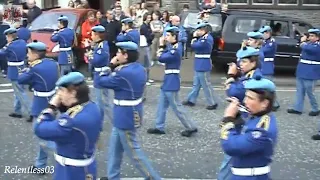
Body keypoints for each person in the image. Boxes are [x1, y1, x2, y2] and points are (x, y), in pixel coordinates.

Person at [95, 41, 161, 180]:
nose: (116, 55)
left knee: (134, 152)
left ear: (125, 55)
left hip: (125, 115)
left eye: (119, 52)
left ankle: (153, 178)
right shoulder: (138, 68)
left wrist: (110, 65)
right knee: (115, 149)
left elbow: (100, 82)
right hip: (128, 112)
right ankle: (113, 176)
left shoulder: (122, 73)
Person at [34, 72, 102, 180]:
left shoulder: (70, 122)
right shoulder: (92, 106)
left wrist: (51, 107)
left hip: (70, 172)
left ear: (73, 93)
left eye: (62, 90)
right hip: (86, 165)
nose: (58, 94)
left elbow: (39, 128)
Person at [220, 76, 278, 180]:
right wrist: (237, 119)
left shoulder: (262, 129)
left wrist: (228, 119)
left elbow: (233, 147)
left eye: (250, 98)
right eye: (246, 97)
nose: (245, 101)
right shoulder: (256, 117)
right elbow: (240, 134)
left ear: (264, 103)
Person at [218, 46, 263, 180]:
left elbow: (233, 91)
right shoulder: (248, 75)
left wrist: (231, 75)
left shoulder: (253, 78)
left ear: (253, 63)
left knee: (231, 155)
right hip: (242, 119)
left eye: (244, 62)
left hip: (244, 121)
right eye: (240, 61)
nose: (240, 65)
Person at [147, 26, 198, 137]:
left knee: (177, 106)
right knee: (162, 104)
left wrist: (161, 46)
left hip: (172, 79)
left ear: (174, 37)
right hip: (168, 79)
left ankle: (190, 127)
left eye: (168, 35)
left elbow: (161, 58)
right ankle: (159, 126)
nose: (166, 37)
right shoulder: (173, 46)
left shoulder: (176, 49)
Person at [18, 40, 59, 171]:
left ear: (35, 54)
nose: (27, 55)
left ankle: (63, 161)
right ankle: (40, 165)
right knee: (46, 135)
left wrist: (25, 70)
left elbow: (21, 79)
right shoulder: (51, 63)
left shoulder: (34, 68)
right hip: (52, 100)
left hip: (40, 103)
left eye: (29, 53)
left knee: (42, 136)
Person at [182, 23, 218, 110]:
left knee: (206, 85)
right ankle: (191, 99)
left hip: (203, 64)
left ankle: (212, 102)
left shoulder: (206, 39)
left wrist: (194, 38)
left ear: (204, 30)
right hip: (199, 63)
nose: (197, 32)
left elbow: (195, 46)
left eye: (199, 30)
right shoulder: (203, 38)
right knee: (196, 84)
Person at [0, 27, 32, 122]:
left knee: (20, 92)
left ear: (10, 36)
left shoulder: (10, 46)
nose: (6, 39)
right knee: (18, 91)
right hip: (21, 67)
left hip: (14, 69)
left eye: (7, 37)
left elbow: (2, 53)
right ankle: (17, 111)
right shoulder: (22, 42)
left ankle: (30, 112)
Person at [288, 28, 320, 117]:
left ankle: (315, 108)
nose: (310, 37)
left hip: (311, 72)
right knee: (299, 91)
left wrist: (303, 41)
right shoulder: (308, 44)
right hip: (302, 70)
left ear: (318, 38)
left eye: (313, 36)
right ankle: (297, 108)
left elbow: (308, 48)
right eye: (310, 36)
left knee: (310, 92)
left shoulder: (317, 45)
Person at [90, 24, 113, 124]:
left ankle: (116, 121)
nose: (91, 37)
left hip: (101, 74)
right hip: (98, 73)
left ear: (97, 35)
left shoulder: (102, 46)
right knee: (100, 101)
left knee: (103, 102)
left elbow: (96, 60)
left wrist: (89, 57)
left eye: (93, 34)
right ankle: (100, 121)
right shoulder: (98, 45)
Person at [259, 25, 280, 111]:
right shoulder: (265, 41)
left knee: (269, 86)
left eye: (263, 33)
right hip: (262, 65)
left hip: (267, 66)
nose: (262, 35)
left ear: (268, 33)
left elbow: (263, 51)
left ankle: (274, 104)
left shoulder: (271, 42)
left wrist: (258, 45)